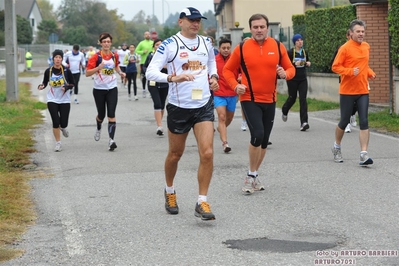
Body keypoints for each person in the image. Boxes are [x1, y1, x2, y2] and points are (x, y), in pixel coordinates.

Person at [146, 7, 219, 220]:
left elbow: (211, 62)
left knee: (207, 153)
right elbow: (151, 71)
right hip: (179, 106)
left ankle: (202, 201)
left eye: (198, 21)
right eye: (191, 20)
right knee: (175, 154)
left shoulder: (206, 42)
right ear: (181, 22)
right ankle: (170, 191)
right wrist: (171, 78)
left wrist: (214, 76)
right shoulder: (170, 45)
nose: (195, 24)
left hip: (203, 104)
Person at [223, 13, 295, 194]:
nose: (259, 30)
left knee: (263, 141)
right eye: (255, 27)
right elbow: (227, 70)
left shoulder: (278, 47)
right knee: (258, 134)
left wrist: (286, 74)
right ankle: (250, 175)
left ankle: (253, 175)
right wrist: (235, 85)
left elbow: (290, 67)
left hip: (270, 99)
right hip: (249, 98)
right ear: (250, 29)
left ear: (267, 28)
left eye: (262, 27)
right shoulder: (242, 48)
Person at [331, 19, 376, 166]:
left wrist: (369, 72)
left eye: (363, 31)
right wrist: (350, 71)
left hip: (363, 90)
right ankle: (336, 147)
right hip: (347, 91)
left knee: (364, 121)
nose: (361, 34)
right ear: (351, 33)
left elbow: (364, 65)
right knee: (344, 121)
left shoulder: (366, 46)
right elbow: (335, 67)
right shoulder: (344, 48)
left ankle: (363, 154)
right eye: (358, 31)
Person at [85, 32, 126, 151]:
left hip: (112, 88)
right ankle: (98, 126)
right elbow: (87, 73)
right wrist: (98, 68)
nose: (106, 44)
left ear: (111, 43)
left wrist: (120, 73)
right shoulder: (96, 57)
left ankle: (111, 140)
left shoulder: (115, 55)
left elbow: (116, 66)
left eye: (108, 42)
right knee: (101, 115)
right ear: (100, 43)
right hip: (99, 89)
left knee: (111, 114)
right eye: (104, 42)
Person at [38, 49, 75, 152]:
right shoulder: (48, 71)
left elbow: (73, 84)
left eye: (59, 57)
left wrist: (67, 88)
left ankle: (63, 127)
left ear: (62, 59)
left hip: (65, 100)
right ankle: (58, 143)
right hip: (52, 99)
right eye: (56, 57)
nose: (58, 59)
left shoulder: (67, 71)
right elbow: (45, 82)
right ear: (53, 59)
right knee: (55, 121)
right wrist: (42, 86)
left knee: (63, 123)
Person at [281, 34, 311, 131]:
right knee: (292, 98)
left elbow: (307, 62)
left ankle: (304, 122)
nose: (300, 42)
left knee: (303, 100)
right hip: (292, 79)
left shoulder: (305, 52)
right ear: (294, 42)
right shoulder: (290, 52)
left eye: (301, 40)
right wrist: (294, 64)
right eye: (298, 40)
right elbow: (285, 65)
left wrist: (308, 63)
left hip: (302, 79)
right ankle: (285, 109)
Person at [214, 38, 238, 153]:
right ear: (219, 48)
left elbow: (241, 72)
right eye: (223, 48)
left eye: (228, 48)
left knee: (229, 118)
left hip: (232, 93)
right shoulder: (214, 60)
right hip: (219, 93)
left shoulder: (235, 59)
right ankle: (225, 143)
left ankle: (220, 128)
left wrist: (240, 77)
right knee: (222, 117)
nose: (226, 50)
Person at [144, 39, 169, 136]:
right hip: (153, 83)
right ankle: (159, 126)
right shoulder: (150, 56)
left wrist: (166, 67)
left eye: (160, 45)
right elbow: (144, 67)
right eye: (157, 45)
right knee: (157, 103)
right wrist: (148, 72)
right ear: (153, 46)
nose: (158, 46)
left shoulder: (167, 56)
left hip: (164, 83)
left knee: (162, 104)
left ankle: (160, 123)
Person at [136, 31, 154, 98]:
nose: (148, 35)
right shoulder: (141, 43)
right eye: (146, 34)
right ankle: (143, 89)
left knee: (152, 77)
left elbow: (155, 50)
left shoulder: (152, 43)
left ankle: (151, 91)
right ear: (144, 36)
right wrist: (143, 52)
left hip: (151, 63)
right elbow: (136, 51)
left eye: (149, 34)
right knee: (144, 77)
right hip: (143, 62)